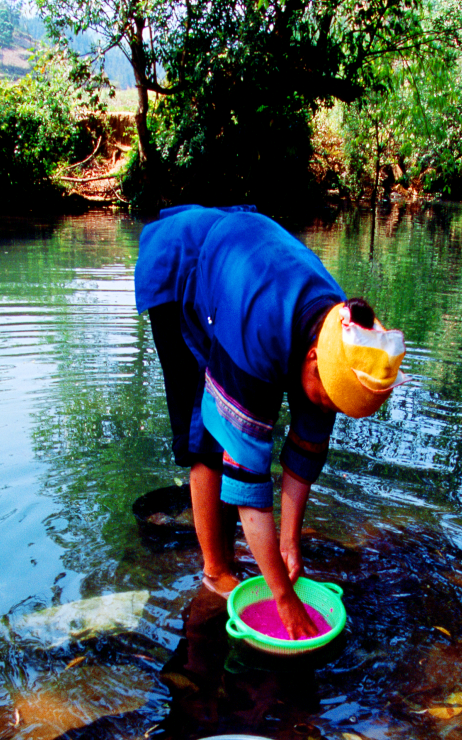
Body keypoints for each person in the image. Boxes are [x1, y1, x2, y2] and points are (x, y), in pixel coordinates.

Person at [135, 204, 405, 639]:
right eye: (328, 399)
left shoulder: (342, 333)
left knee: (249, 438)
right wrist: (283, 596)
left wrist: (288, 543)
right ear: (312, 359)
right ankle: (215, 570)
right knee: (206, 436)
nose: (327, 409)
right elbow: (248, 480)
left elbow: (307, 446)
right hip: (183, 269)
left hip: (242, 266)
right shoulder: (258, 337)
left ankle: (238, 552)